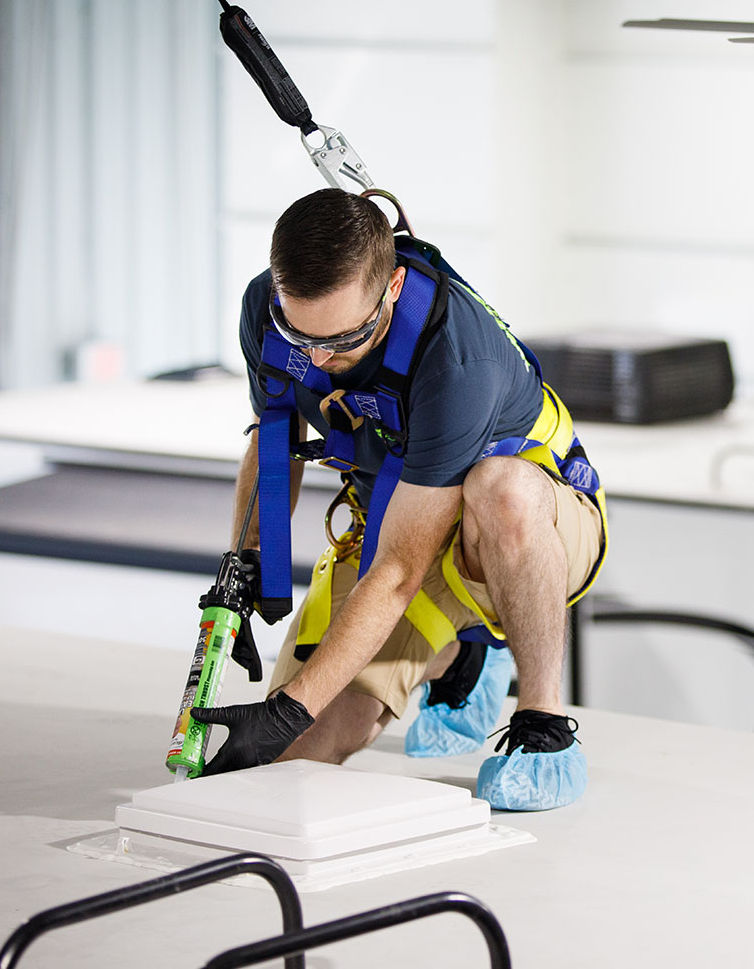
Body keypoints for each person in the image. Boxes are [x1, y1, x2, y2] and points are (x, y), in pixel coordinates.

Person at [191, 188, 606, 811]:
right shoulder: (267, 310)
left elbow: (396, 574)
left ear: (391, 289)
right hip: (397, 522)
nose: (321, 359)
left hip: (525, 532)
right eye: (299, 335)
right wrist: (246, 560)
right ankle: (460, 659)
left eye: (345, 337)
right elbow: (275, 434)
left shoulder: (459, 359)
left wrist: (288, 706)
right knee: (288, 764)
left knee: (501, 488)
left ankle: (543, 722)